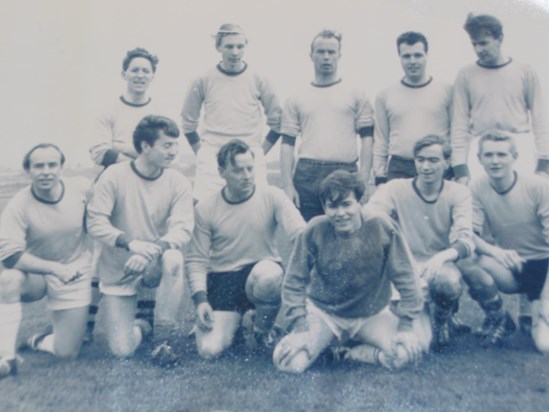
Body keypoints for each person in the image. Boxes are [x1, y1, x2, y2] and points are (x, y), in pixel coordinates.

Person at [273, 170, 431, 373]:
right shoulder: (315, 230)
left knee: (406, 354)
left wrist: (406, 327)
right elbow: (293, 280)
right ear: (324, 207)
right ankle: (328, 343)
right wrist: (300, 327)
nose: (340, 213)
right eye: (332, 206)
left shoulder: (381, 226)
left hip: (371, 314)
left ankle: (356, 353)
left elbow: (407, 278)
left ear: (360, 202)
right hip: (325, 313)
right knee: (286, 361)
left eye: (346, 204)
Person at [451, 13, 549, 329]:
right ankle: (495, 315)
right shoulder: (466, 74)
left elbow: (541, 118)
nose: (479, 49)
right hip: (483, 148)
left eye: (484, 42)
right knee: (488, 230)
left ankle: (530, 307)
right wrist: (461, 165)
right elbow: (459, 123)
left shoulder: (524, 71)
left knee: (528, 226)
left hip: (518, 147)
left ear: (499, 38)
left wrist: (544, 163)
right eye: (474, 43)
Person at [86, 115, 193, 362]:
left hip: (153, 265)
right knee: (122, 349)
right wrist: (131, 244)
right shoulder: (113, 176)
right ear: (145, 146)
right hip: (120, 267)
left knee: (174, 257)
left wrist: (151, 251)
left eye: (175, 145)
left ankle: (163, 341)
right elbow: (95, 222)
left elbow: (183, 228)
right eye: (167, 145)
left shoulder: (178, 181)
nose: (173, 152)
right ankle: (144, 327)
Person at [186, 139, 305, 359]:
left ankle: (262, 333)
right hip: (222, 281)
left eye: (250, 168)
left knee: (270, 276)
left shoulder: (273, 196)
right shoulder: (205, 208)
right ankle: (239, 324)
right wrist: (200, 301)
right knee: (209, 351)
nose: (247, 175)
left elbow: (300, 235)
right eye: (238, 170)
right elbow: (196, 260)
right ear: (222, 172)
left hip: (260, 274)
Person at [366, 135, 474, 350]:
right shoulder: (395, 188)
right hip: (403, 267)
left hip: (436, 266)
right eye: (420, 160)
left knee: (449, 281)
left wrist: (443, 256)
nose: (425, 166)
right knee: (411, 336)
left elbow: (466, 240)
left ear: (446, 163)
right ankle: (419, 316)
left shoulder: (459, 193)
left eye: (433, 160)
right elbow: (369, 216)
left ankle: (442, 320)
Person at [0, 144, 92, 379]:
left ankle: (39, 340)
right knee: (8, 279)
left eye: (52, 165)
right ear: (27, 171)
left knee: (67, 353)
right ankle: (6, 357)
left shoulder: (81, 189)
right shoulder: (18, 205)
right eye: (38, 166)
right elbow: (10, 256)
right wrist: (54, 269)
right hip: (37, 274)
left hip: (74, 271)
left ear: (62, 167)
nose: (46, 171)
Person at [457, 131, 549, 351]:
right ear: (479, 159)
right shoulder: (477, 187)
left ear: (514, 157)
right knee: (467, 259)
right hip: (513, 265)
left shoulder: (538, 186)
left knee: (544, 345)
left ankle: (535, 312)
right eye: (488, 155)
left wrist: (545, 300)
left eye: (501, 154)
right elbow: (471, 235)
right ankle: (498, 318)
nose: (495, 161)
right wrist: (495, 252)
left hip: (545, 266)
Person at [280, 29, 374, 221]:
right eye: (320, 52)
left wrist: (363, 176)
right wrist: (287, 185)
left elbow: (367, 139)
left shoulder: (356, 93)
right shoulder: (296, 97)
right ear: (311, 55)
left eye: (331, 52)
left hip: (344, 170)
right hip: (307, 174)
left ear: (339, 55)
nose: (326, 57)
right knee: (308, 234)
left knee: (345, 233)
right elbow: (287, 144)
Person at [181, 23, 282, 203]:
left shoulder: (259, 79)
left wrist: (258, 153)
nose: (235, 52)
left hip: (249, 156)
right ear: (218, 47)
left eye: (240, 46)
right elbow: (188, 123)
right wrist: (203, 153)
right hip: (212, 157)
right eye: (229, 46)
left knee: (258, 209)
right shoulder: (203, 80)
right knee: (204, 210)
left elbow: (277, 122)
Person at [373, 31, 453, 184]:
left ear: (426, 55)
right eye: (406, 56)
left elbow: (456, 133)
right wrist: (380, 177)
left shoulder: (447, 91)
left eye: (418, 55)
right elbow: (381, 139)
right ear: (400, 58)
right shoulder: (385, 95)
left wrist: (456, 168)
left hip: (437, 165)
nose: (412, 61)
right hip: (400, 168)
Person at [90, 47, 161, 168]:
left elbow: (164, 153)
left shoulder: (160, 113)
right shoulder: (108, 111)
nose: (140, 75)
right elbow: (99, 153)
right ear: (124, 75)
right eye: (134, 70)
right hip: (115, 178)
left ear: (152, 76)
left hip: (152, 180)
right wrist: (140, 164)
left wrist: (119, 148)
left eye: (145, 71)